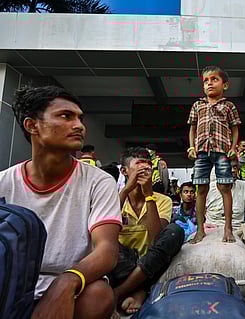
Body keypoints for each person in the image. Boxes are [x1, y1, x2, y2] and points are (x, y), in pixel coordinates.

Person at [0, 86, 122, 319]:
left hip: (75, 283)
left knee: (99, 295)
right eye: (66, 116)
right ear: (31, 125)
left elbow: (107, 250)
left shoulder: (98, 182)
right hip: (13, 283)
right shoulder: (4, 182)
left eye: (80, 118)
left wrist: (65, 282)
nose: (79, 126)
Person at [112, 147, 184, 315]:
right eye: (139, 164)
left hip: (150, 261)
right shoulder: (113, 197)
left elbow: (156, 238)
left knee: (175, 231)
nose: (145, 168)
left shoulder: (163, 200)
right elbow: (106, 228)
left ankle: (118, 294)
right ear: (124, 171)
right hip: (122, 262)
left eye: (148, 165)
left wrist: (148, 195)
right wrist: (126, 191)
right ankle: (139, 289)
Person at [187, 65, 241, 243]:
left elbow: (234, 129)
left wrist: (233, 147)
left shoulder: (229, 106)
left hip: (222, 151)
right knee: (201, 188)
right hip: (202, 151)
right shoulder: (197, 105)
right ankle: (200, 229)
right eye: (206, 81)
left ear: (225, 85)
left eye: (214, 79)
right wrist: (191, 147)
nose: (210, 83)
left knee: (225, 188)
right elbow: (192, 128)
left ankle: (228, 228)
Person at [206, 158, 245, 229]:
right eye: (229, 167)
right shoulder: (208, 188)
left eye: (235, 167)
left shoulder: (244, 186)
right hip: (211, 230)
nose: (233, 170)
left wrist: (244, 231)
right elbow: (200, 215)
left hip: (237, 230)